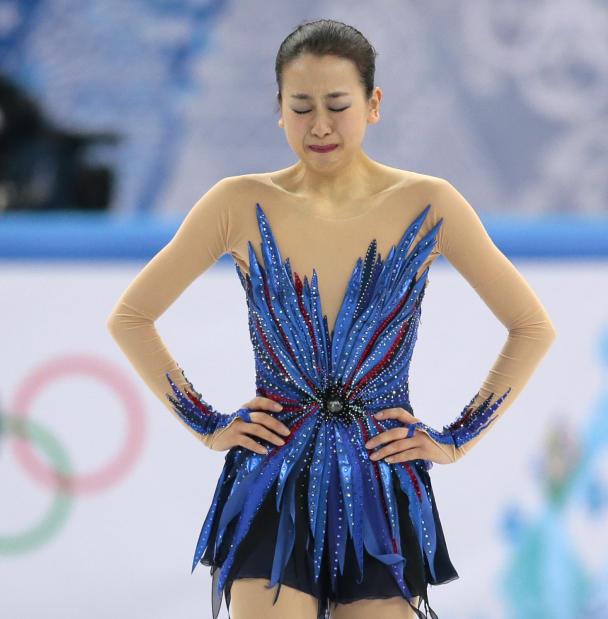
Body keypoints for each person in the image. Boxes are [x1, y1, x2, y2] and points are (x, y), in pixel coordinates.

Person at [106, 19, 556, 619]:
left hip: (380, 484)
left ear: (373, 105)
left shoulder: (429, 204)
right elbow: (131, 316)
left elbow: (531, 326)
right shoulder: (238, 203)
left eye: (337, 105)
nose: (319, 125)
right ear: (279, 110)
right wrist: (207, 423)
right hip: (272, 480)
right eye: (302, 106)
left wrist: (454, 439)